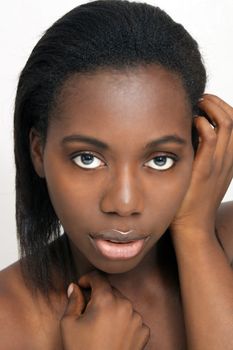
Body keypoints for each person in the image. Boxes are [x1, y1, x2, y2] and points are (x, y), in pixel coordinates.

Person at [0, 0, 233, 348]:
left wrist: (196, 235)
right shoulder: (8, 319)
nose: (123, 203)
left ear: (198, 150)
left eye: (160, 160)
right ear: (38, 151)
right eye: (87, 159)